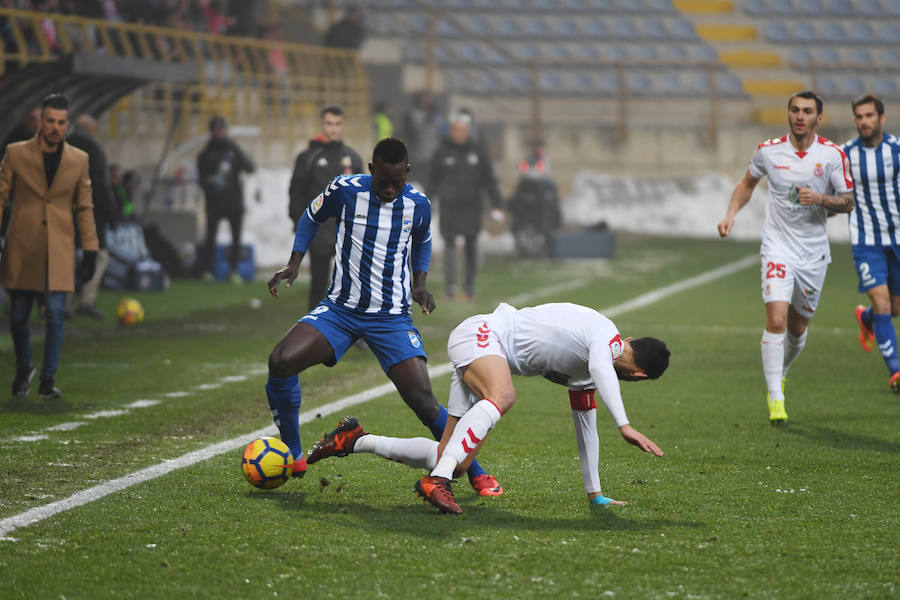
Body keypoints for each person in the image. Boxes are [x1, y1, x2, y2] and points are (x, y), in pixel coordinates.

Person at [266, 137, 502, 496]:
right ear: (371, 170)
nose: (390, 190)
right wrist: (295, 261)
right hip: (340, 310)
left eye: (397, 182)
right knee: (281, 361)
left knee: (423, 400)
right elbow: (310, 216)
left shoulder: (417, 204)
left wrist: (420, 285)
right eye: (383, 182)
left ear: (406, 172)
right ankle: (295, 454)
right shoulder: (344, 190)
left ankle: (476, 472)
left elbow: (422, 240)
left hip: (390, 318)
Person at [306, 302, 670, 514]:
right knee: (504, 395)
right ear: (639, 376)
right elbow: (600, 367)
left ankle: (354, 439)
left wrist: (595, 493)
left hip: (485, 353)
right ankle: (437, 482)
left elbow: (586, 429)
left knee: (452, 458)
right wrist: (624, 424)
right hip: (483, 335)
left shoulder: (593, 369)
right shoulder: (605, 338)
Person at [717, 90, 854, 424]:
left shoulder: (832, 155)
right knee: (776, 319)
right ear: (788, 114)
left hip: (813, 253)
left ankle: (780, 374)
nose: (800, 116)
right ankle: (776, 396)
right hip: (777, 246)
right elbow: (747, 183)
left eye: (807, 111)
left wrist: (820, 198)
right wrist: (731, 212)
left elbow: (848, 201)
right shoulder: (769, 151)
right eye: (794, 110)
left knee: (797, 327)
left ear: (818, 118)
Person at [0, 93, 98, 398]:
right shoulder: (16, 153)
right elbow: (1, 195)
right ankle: (24, 365)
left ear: (67, 124)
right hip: (22, 246)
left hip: (60, 248)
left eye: (61, 122)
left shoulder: (79, 160)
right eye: (50, 121)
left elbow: (85, 207)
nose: (55, 127)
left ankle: (47, 378)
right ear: (41, 121)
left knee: (55, 314)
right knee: (18, 316)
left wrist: (91, 249)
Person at [842, 94, 900, 391]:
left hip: (898, 239)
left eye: (869, 116)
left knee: (894, 307)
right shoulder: (846, 153)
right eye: (859, 116)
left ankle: (866, 319)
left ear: (881, 118)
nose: (864, 121)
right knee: (881, 300)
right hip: (866, 241)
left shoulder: (897, 150)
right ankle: (895, 372)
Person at [287, 104, 363, 310]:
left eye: (338, 124)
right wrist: (299, 224)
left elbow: (363, 197)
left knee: (352, 285)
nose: (334, 129)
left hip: (346, 231)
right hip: (319, 230)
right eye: (329, 123)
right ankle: (315, 333)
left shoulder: (352, 158)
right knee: (319, 284)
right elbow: (296, 192)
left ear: (343, 125)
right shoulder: (308, 157)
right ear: (322, 124)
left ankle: (356, 332)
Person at [428, 112, 504, 300]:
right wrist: (425, 202)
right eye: (456, 129)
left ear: (468, 131)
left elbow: (489, 180)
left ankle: (468, 288)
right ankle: (451, 288)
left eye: (463, 130)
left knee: (471, 247)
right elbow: (432, 180)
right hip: (449, 208)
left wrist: (497, 203)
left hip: (472, 207)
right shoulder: (442, 152)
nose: (459, 133)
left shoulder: (477, 152)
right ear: (451, 130)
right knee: (450, 247)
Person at [67, 114, 117, 319]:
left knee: (66, 256)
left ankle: (64, 304)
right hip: (90, 213)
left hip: (64, 212)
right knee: (99, 256)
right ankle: (87, 301)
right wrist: (113, 215)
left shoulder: (62, 147)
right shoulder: (95, 151)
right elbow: (101, 186)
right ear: (90, 130)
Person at [196, 115, 255, 284]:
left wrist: (236, 149)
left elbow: (250, 167)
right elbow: (201, 180)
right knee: (210, 238)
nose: (220, 133)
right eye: (217, 130)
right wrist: (211, 182)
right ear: (212, 131)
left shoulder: (233, 150)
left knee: (236, 238)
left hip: (234, 202)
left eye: (222, 129)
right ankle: (207, 271)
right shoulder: (205, 154)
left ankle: (234, 270)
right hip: (214, 203)